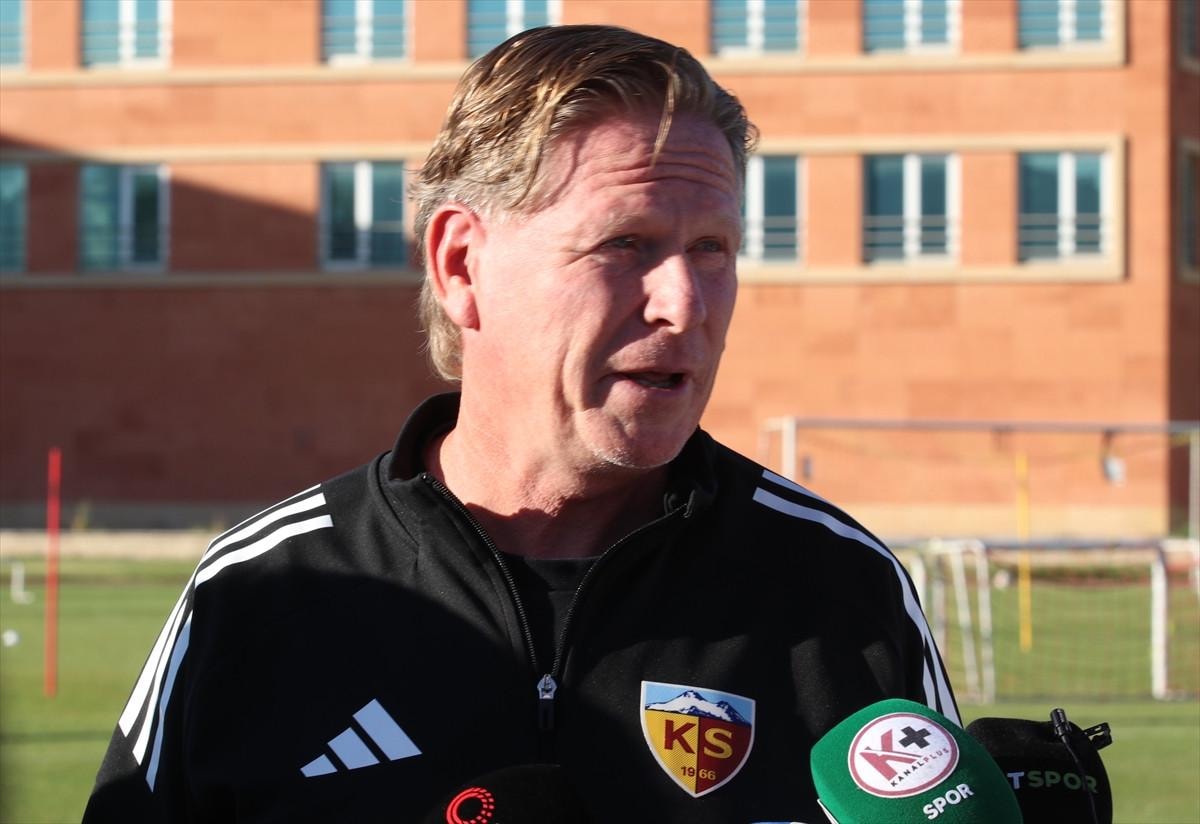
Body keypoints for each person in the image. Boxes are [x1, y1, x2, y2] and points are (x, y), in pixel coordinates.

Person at [84, 24, 958, 823]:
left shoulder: (844, 590)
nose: (685, 303)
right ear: (462, 265)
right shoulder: (261, 595)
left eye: (712, 249)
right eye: (625, 243)